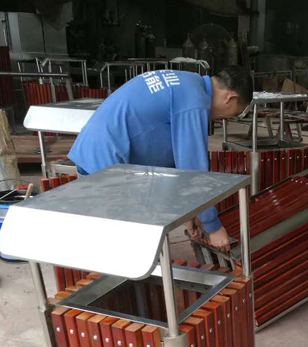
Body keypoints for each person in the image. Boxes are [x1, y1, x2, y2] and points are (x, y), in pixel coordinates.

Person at [68, 65, 253, 250]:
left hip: (95, 154)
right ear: (230, 97)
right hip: (106, 166)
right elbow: (194, 171)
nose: (227, 118)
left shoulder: (188, 83)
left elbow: (176, 159)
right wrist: (213, 227)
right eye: (235, 113)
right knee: (124, 247)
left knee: (119, 242)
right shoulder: (194, 100)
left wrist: (190, 211)